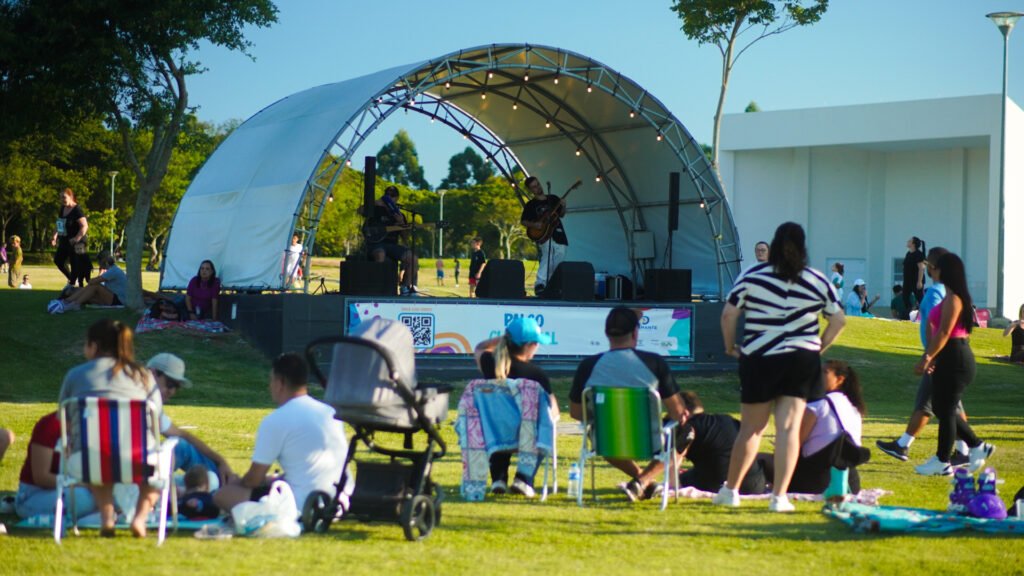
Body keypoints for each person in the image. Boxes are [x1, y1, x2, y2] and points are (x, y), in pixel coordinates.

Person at [718, 222, 846, 512]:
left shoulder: (754, 275)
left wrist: (729, 347)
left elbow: (728, 315)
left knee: (751, 428)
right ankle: (779, 497)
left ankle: (731, 491)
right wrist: (818, 347)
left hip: (760, 358)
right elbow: (838, 320)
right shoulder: (816, 279)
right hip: (801, 361)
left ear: (773, 246)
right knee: (788, 430)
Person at [57, 319, 164, 537]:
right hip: (138, 460)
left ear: (94, 346)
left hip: (87, 461)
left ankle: (107, 519)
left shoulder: (76, 375)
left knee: (98, 456)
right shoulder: (144, 376)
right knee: (157, 471)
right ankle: (140, 518)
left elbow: (64, 420)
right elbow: (156, 421)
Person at [569, 306, 685, 502]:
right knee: (687, 430)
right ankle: (643, 480)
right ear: (635, 332)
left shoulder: (588, 366)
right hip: (651, 440)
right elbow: (678, 412)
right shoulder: (654, 363)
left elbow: (576, 413)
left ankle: (640, 480)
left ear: (606, 333)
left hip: (607, 441)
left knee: (598, 429)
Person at [214, 353, 347, 513]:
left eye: (271, 380)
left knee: (222, 495)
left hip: (301, 506)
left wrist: (237, 482)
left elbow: (253, 480)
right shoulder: (329, 412)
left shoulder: (275, 420)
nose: (269, 386)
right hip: (339, 502)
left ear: (280, 383)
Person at [876, 247, 971, 465]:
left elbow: (943, 328)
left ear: (934, 268)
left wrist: (930, 356)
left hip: (937, 356)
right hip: (938, 355)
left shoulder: (938, 293)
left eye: (928, 265)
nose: (926, 269)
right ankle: (962, 448)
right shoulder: (942, 291)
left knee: (935, 404)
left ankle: (967, 448)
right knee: (946, 404)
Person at [913, 252, 995, 476]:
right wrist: (934, 356)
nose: (931, 270)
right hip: (949, 356)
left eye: (933, 267)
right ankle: (977, 446)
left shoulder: (954, 299)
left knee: (945, 408)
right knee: (942, 407)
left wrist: (927, 357)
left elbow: (945, 332)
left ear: (944, 271)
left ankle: (942, 460)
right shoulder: (950, 296)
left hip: (956, 357)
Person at [473, 317, 557, 498]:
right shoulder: (537, 375)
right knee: (541, 427)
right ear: (531, 345)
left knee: (501, 420)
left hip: (495, 436)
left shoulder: (490, 364)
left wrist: (502, 339)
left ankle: (499, 478)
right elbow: (553, 412)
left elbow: (480, 347)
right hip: (526, 439)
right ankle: (524, 478)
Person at [630, 391, 767, 497]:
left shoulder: (688, 428)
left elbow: (674, 458)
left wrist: (672, 487)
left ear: (684, 412)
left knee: (685, 476)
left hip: (716, 484)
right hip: (755, 484)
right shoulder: (726, 419)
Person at [146, 353, 234, 486]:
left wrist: (220, 460)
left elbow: (184, 434)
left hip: (116, 471)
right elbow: (182, 439)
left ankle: (220, 481)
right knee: (181, 447)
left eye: (176, 387)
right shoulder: (148, 406)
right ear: (152, 374)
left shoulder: (127, 402)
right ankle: (227, 483)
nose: (172, 392)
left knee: (184, 449)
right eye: (170, 384)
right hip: (141, 471)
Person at [784, 360, 866, 494]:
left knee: (761, 459)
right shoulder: (854, 407)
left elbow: (795, 443)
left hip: (816, 478)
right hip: (851, 480)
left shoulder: (819, 405)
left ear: (839, 379)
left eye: (824, 372)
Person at [13, 412, 97, 520]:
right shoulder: (51, 424)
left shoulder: (97, 424)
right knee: (83, 499)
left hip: (78, 487)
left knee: (116, 493)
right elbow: (41, 477)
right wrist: (83, 484)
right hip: (35, 493)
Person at [520, 176, 568, 295]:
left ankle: (553, 283)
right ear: (531, 190)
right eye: (534, 187)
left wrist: (564, 205)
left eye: (538, 184)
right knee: (548, 255)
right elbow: (524, 221)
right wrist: (535, 224)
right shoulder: (531, 205)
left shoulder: (553, 198)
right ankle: (540, 283)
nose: (538, 188)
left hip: (558, 233)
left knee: (559, 257)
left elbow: (561, 214)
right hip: (544, 235)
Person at [367, 186, 418, 295]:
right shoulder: (375, 209)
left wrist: (401, 223)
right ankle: (377, 288)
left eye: (393, 196)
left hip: (392, 245)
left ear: (397, 198)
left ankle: (405, 287)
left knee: (412, 258)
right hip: (376, 244)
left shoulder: (399, 215)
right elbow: (360, 210)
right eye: (388, 196)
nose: (391, 198)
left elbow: (405, 238)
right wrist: (376, 203)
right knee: (380, 254)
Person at [52, 251, 126, 313]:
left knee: (95, 286)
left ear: (103, 261)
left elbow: (92, 282)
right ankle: (68, 301)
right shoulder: (113, 269)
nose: (98, 264)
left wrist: (100, 273)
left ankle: (73, 303)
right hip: (114, 298)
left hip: (119, 300)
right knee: (90, 295)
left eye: (99, 262)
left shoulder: (113, 270)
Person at [51, 187, 91, 288]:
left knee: (75, 264)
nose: (62, 200)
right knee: (58, 260)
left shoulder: (77, 209)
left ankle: (75, 284)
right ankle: (72, 280)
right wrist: (54, 236)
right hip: (65, 240)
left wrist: (76, 238)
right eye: (60, 198)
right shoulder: (62, 209)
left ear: (71, 197)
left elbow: (84, 226)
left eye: (64, 197)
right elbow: (59, 223)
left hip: (77, 242)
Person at [902, 236, 926, 316]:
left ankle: (925, 315)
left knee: (920, 299)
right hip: (907, 281)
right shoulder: (908, 253)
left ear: (913, 244)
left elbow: (921, 268)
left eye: (909, 241)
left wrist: (919, 281)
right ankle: (909, 314)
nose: (907, 241)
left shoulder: (918, 254)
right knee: (905, 297)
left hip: (916, 281)